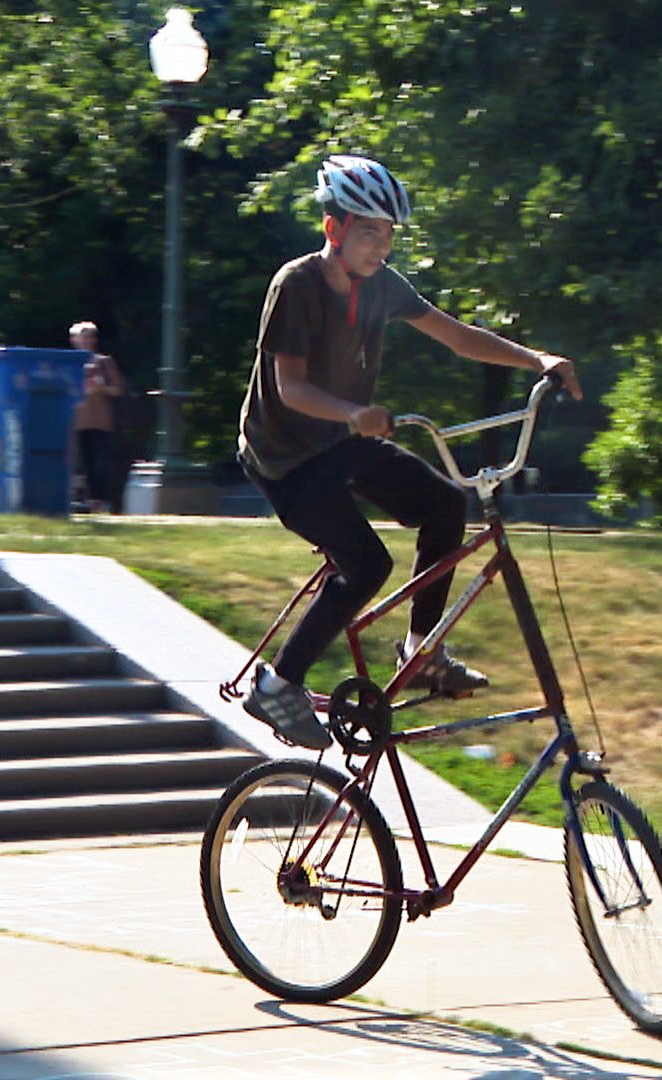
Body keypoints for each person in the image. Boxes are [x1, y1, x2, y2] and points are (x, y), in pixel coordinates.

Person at [237, 154, 582, 750]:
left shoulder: (383, 287)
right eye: (369, 231)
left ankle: (422, 651)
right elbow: (290, 389)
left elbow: (456, 336)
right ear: (334, 230)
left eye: (388, 233)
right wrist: (352, 413)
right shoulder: (296, 285)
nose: (381, 246)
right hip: (285, 458)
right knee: (368, 564)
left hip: (344, 441)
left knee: (445, 504)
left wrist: (537, 359)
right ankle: (278, 685)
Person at [68, 320, 127, 514]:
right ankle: (80, 500)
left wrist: (101, 387)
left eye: (89, 336)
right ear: (73, 339)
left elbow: (118, 390)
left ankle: (99, 503)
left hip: (99, 421)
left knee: (98, 462)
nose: (86, 340)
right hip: (74, 420)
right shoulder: (66, 362)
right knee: (79, 462)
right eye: (82, 336)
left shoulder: (103, 362)